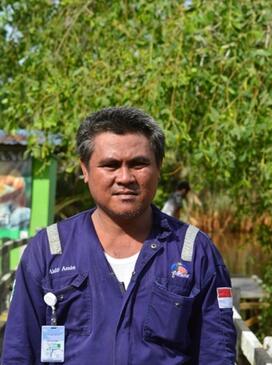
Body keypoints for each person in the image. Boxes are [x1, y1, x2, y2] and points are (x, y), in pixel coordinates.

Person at [1, 107, 236, 364]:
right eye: (110, 165)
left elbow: (217, 354)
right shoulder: (49, 250)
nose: (125, 178)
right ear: (85, 170)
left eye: (138, 164)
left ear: (158, 167)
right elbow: (19, 352)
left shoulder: (194, 252)